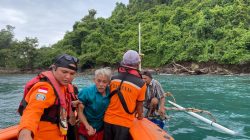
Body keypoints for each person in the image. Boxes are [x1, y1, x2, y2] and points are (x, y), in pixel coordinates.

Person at [18, 54, 79, 140]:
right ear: (54, 68)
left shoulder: (64, 85)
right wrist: (25, 134)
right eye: (64, 72)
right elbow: (33, 111)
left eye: (72, 73)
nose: (68, 77)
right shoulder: (45, 88)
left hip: (60, 134)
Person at [103, 50, 147, 140]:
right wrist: (140, 115)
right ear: (138, 64)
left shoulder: (113, 78)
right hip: (124, 123)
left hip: (108, 119)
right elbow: (139, 105)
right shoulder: (141, 83)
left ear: (123, 63)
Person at [77, 67, 112, 140]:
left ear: (109, 82)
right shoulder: (86, 92)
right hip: (85, 127)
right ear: (94, 80)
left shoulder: (111, 92)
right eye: (98, 81)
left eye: (104, 82)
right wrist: (87, 126)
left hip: (101, 128)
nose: (101, 84)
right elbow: (80, 112)